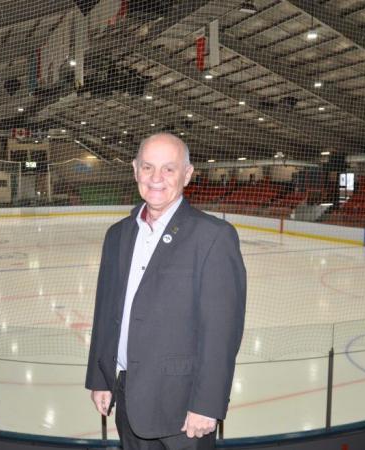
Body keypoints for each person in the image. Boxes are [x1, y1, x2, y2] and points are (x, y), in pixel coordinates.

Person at [85, 133, 247, 450]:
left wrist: (207, 404)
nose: (156, 178)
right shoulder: (117, 235)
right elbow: (105, 312)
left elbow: (221, 332)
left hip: (183, 407)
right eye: (148, 167)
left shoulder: (213, 236)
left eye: (169, 169)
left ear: (187, 174)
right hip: (127, 397)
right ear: (135, 170)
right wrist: (101, 378)